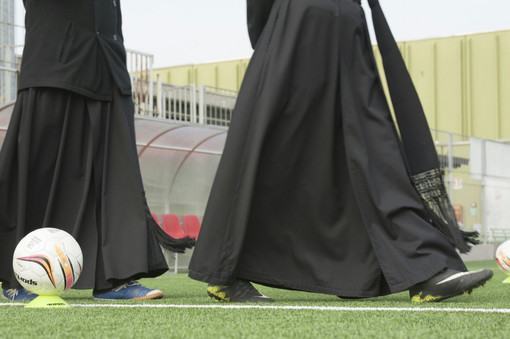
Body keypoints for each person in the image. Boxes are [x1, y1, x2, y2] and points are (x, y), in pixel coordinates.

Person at [188, 0, 493, 303]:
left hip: (348, 30)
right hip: (298, 27)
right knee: (273, 148)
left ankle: (424, 268)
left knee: (377, 150)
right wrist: (274, 38)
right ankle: (225, 274)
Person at [0, 0, 194, 301]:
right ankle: (19, 278)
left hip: (108, 65)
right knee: (39, 174)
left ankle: (114, 278)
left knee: (118, 178)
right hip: (55, 61)